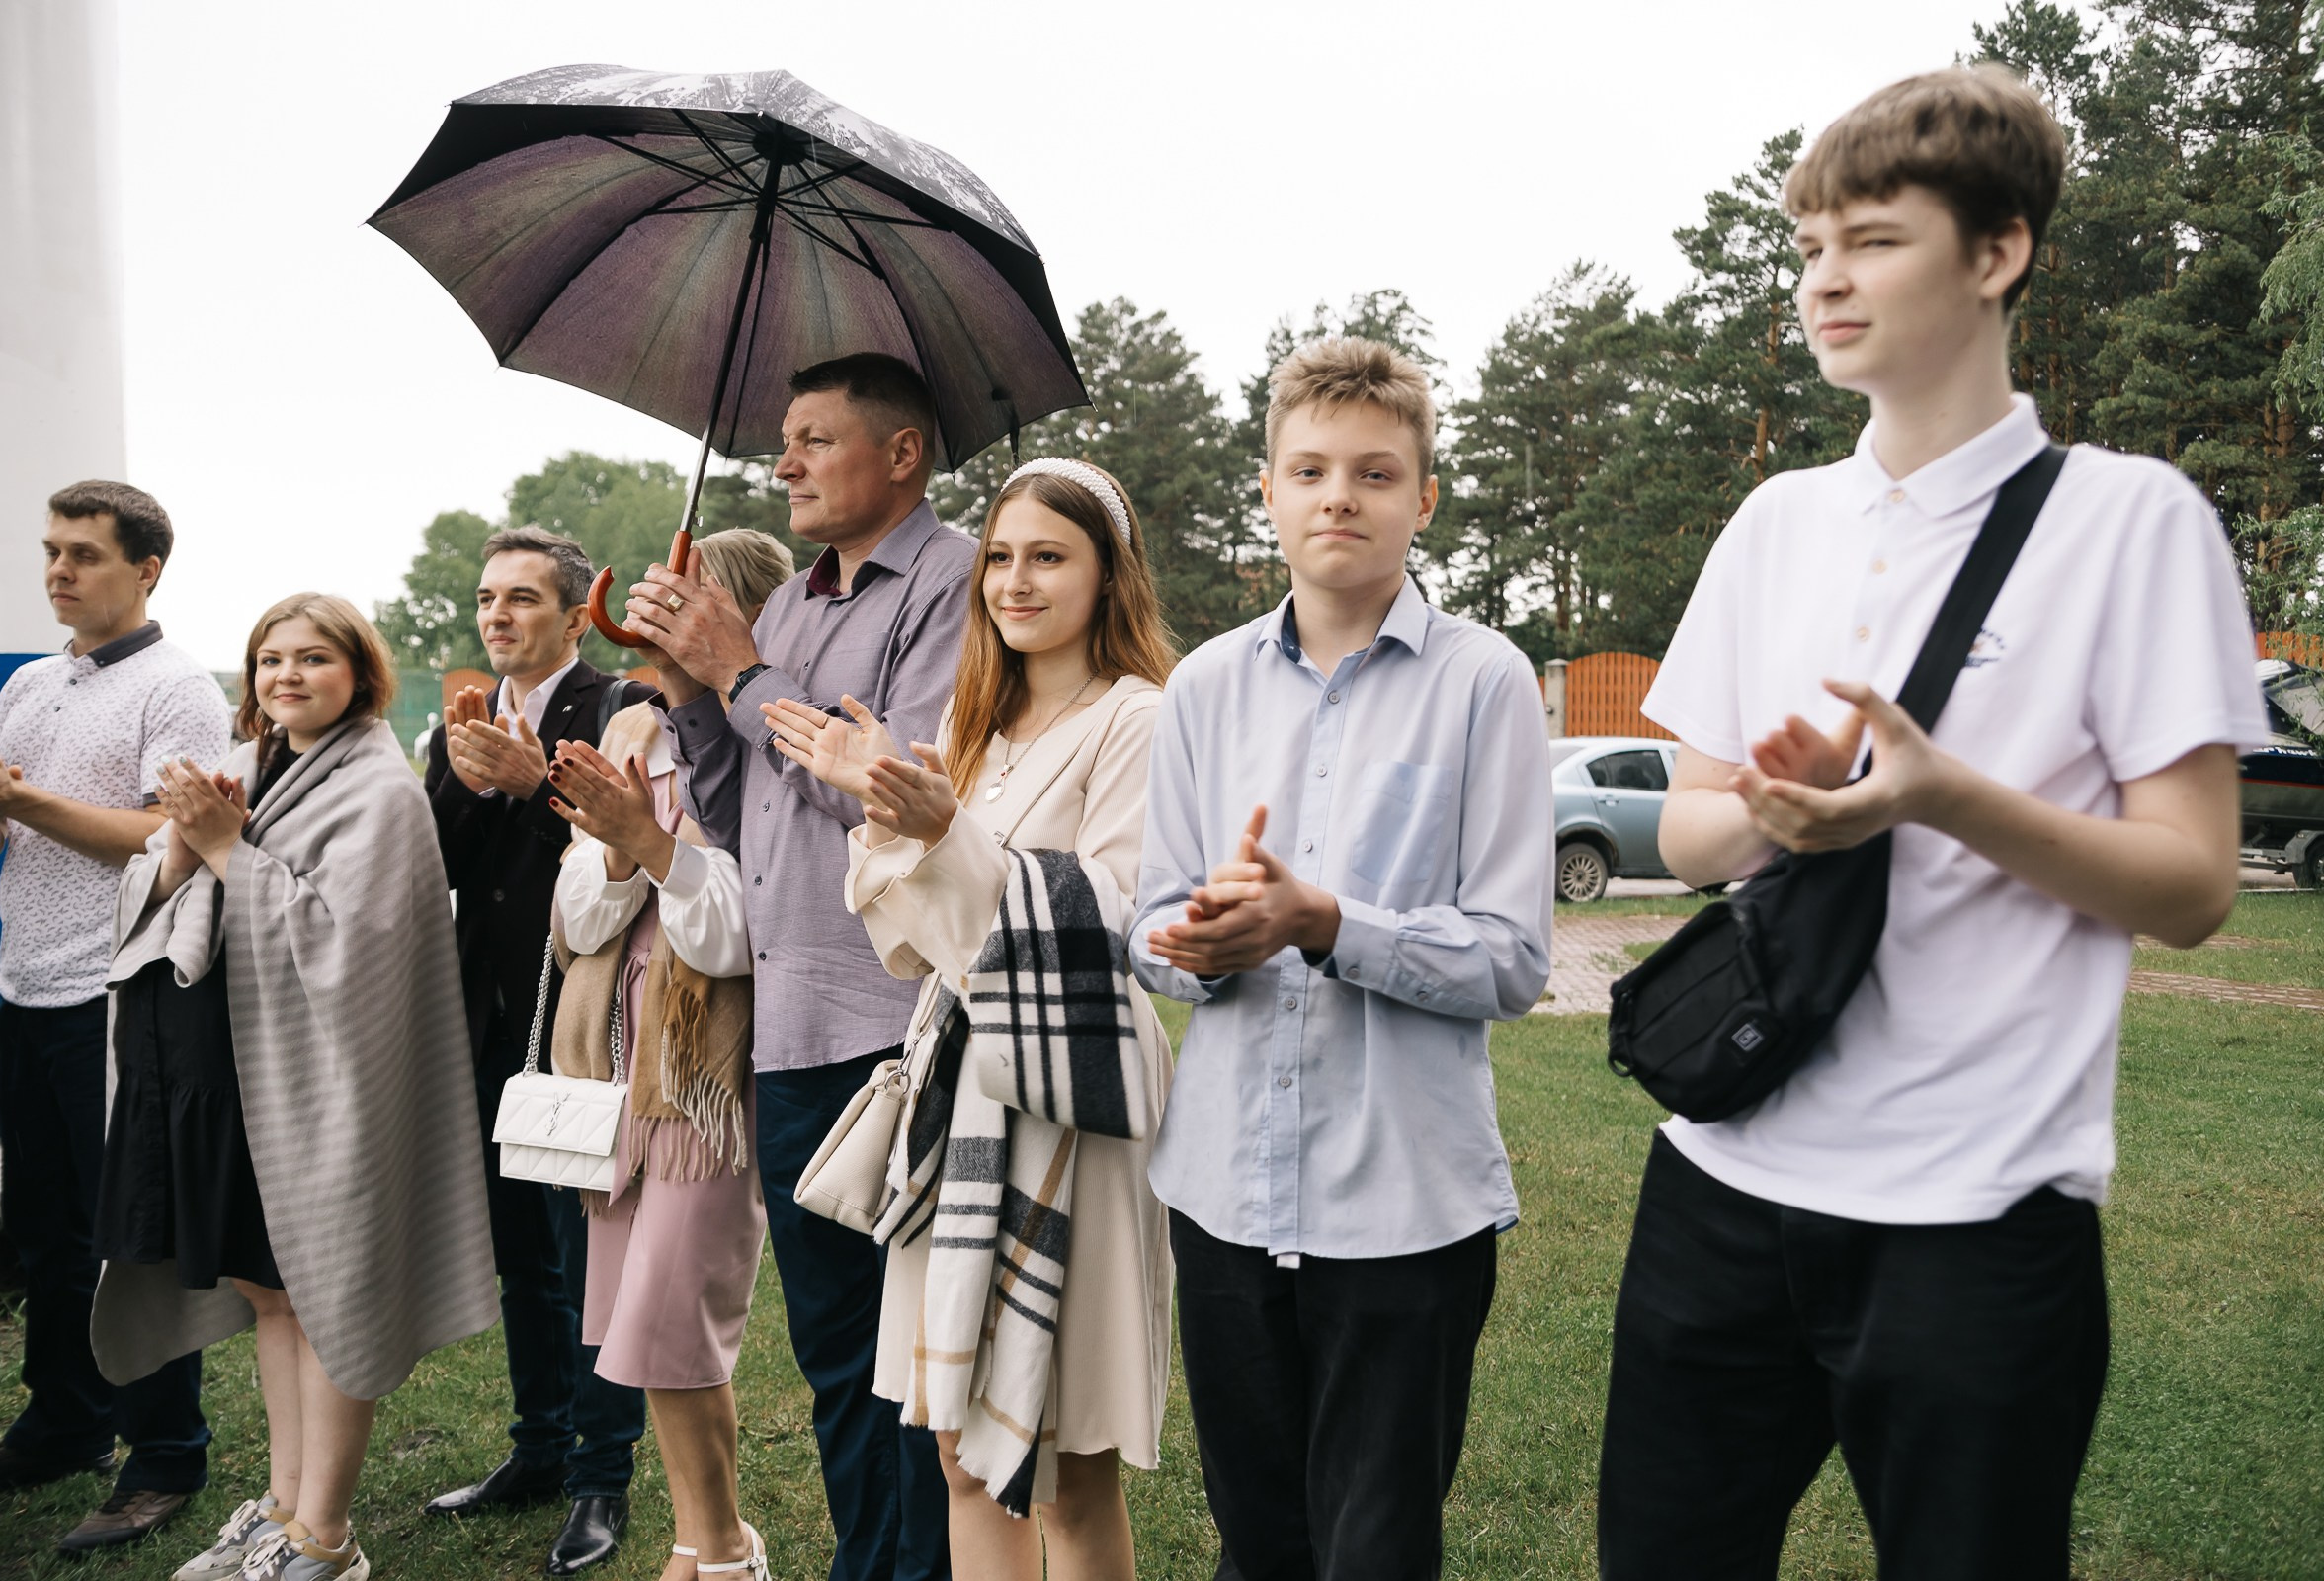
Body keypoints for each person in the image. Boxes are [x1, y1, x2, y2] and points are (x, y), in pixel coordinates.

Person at [1596, 67, 2269, 1581]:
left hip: (1980, 1214)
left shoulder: (2134, 520)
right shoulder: (1776, 525)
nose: (1826, 279)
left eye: (1875, 239)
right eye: (1810, 245)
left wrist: (1939, 795)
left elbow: (2194, 884)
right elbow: (1691, 835)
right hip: (1725, 1182)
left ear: (1998, 252)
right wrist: (1781, 814)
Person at [1130, 338, 1554, 1580]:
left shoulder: (1485, 683)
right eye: (1309, 470)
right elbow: (1155, 923)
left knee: (1377, 1549)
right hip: (1221, 1195)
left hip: (1405, 1206)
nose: (1339, 496)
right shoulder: (1204, 687)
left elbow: (1515, 959)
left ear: (1424, 498)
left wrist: (1325, 922)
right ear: (1266, 489)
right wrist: (1198, 943)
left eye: (1375, 473)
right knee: (1260, 1544)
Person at [764, 457, 1176, 1580]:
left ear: (1110, 575)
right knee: (959, 1450)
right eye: (999, 555)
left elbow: (1111, 929)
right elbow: (910, 944)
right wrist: (891, 814)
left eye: (1050, 556)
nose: (1015, 580)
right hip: (959, 1104)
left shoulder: (1140, 719)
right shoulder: (973, 725)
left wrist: (945, 835)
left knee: (1064, 1463)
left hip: (1069, 1110)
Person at [622, 352, 968, 1581]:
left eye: (814, 439)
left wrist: (738, 672)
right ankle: (867, 1562)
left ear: (902, 454)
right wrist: (690, 694)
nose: (782, 464)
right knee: (832, 1349)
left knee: (919, 1362)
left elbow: (894, 803)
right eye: (781, 440)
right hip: (791, 1027)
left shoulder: (953, 580)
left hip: (898, 1026)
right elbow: (740, 810)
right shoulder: (794, 605)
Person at [94, 593, 499, 1581]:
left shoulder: (378, 787)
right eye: (270, 659)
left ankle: (327, 1535)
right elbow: (148, 889)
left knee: (328, 1298)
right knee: (270, 1293)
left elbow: (354, 946)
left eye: (313, 658)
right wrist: (188, 843)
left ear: (360, 674)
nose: (287, 676)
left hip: (324, 1086)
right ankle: (281, 1506)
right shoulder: (241, 767)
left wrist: (226, 848)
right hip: (228, 1080)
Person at [0, 482, 224, 1556]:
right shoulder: (26, 682)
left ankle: (166, 1452)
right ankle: (66, 1420)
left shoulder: (181, 692)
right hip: (27, 986)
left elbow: (172, 838)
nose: (60, 571)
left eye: (86, 555)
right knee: (47, 1229)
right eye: (53, 552)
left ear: (147, 568)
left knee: (132, 1237)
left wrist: (18, 802)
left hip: (127, 990)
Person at [543, 528, 795, 1581]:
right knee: (630, 1320)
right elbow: (580, 922)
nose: (651, 627)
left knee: (671, 1313)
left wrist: (654, 847)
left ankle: (725, 1546)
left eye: (679, 606)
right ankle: (709, 1537)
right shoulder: (635, 724)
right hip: (619, 1047)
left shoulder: (767, 738)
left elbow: (740, 936)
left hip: (709, 1067)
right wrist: (611, 845)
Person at [421, 526, 653, 1576]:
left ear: (571, 614)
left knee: (589, 1259)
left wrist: (533, 785)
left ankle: (604, 1475)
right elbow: (441, 865)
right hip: (491, 1024)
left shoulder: (614, 708)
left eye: (521, 598)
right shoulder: (459, 725)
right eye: (485, 598)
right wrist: (472, 781)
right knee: (524, 1257)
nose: (497, 616)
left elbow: (625, 854)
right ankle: (538, 1447)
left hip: (584, 1025)